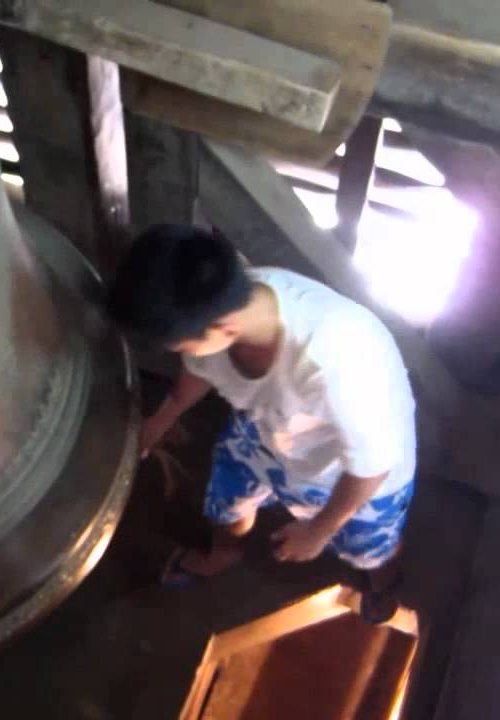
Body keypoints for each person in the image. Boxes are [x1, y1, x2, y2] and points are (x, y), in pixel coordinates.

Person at [107, 223, 416, 622]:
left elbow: (371, 466)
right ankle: (224, 552)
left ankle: (381, 577)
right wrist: (162, 418)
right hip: (269, 428)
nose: (184, 354)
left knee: (367, 545)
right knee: (227, 500)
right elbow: (201, 366)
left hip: (351, 472)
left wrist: (317, 533)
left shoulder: (337, 361)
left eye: (181, 345)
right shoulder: (226, 298)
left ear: (224, 329)